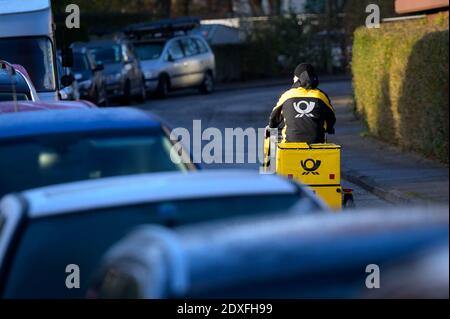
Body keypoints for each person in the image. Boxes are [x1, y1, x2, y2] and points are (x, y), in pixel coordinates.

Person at [267, 63, 336, 144]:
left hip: (290, 144)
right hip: (317, 143)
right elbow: (331, 117)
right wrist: (330, 128)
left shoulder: (287, 95)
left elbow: (273, 118)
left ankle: (272, 156)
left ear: (296, 78)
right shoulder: (321, 96)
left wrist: (271, 127)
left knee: (271, 140)